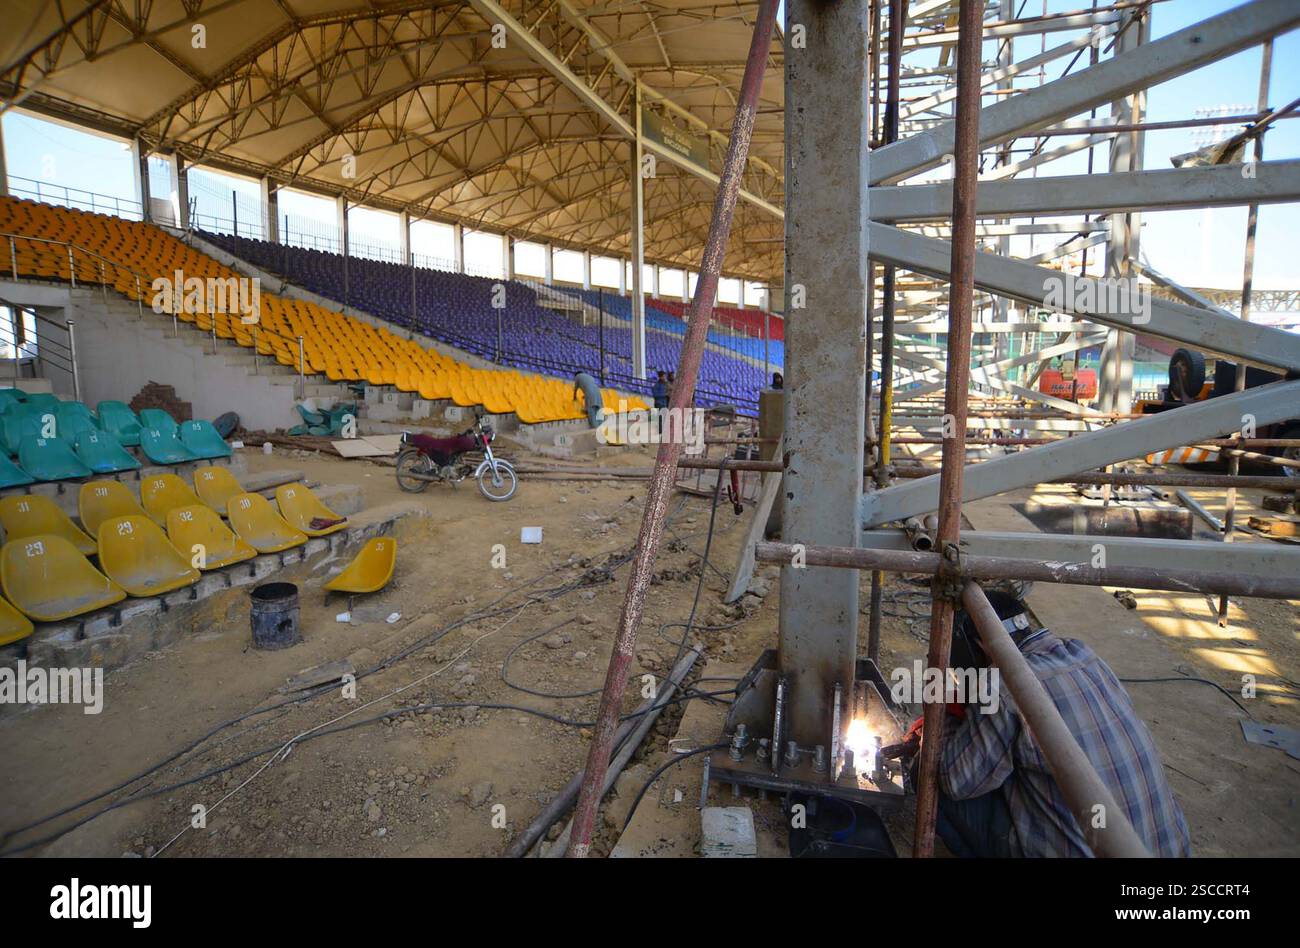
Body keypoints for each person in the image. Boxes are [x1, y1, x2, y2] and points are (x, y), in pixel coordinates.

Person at [890, 591, 1191, 858]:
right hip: (1167, 847)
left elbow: (954, 781)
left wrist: (942, 719)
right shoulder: (1083, 655)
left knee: (928, 769)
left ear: (979, 648)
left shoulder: (1003, 684)